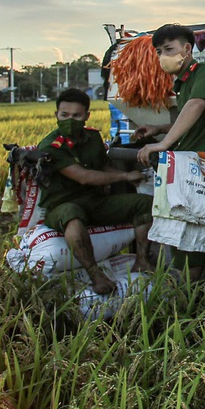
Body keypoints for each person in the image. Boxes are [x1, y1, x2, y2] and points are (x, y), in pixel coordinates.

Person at [135, 23, 205, 279]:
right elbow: (191, 121)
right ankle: (196, 293)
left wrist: (163, 143)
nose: (162, 57)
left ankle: (190, 297)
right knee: (185, 235)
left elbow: (197, 106)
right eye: (158, 52)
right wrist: (158, 129)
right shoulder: (183, 82)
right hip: (191, 163)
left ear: (187, 49)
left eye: (168, 49)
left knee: (194, 240)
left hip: (204, 165)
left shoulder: (204, 73)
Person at [37, 88, 153, 295]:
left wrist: (130, 176)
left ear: (86, 116)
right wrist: (125, 176)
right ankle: (95, 274)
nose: (70, 120)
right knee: (72, 216)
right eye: (64, 115)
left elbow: (103, 167)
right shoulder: (51, 146)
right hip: (61, 204)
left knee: (144, 204)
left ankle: (142, 260)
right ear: (56, 115)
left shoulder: (92, 138)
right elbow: (84, 176)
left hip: (94, 200)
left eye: (76, 116)